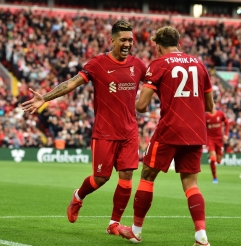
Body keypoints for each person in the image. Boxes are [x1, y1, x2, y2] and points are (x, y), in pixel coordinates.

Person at [21, 20, 147, 235]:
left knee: (126, 179)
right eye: (123, 40)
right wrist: (46, 98)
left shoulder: (139, 65)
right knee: (101, 178)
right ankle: (78, 197)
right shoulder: (98, 63)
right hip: (105, 132)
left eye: (130, 40)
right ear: (112, 40)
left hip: (129, 132)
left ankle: (113, 224)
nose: (127, 44)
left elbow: (155, 86)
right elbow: (71, 84)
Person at [117, 26, 214, 246]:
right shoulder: (199, 64)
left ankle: (136, 231)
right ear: (178, 43)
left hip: (171, 128)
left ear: (158, 46)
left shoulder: (159, 64)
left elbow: (141, 106)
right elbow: (209, 106)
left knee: (147, 175)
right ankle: (201, 236)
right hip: (196, 130)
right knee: (191, 183)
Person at [205, 109, 229, 183]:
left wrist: (226, 134)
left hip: (219, 140)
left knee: (218, 161)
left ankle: (215, 157)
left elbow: (227, 123)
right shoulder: (205, 116)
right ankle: (215, 178)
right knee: (213, 159)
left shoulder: (220, 114)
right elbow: (203, 128)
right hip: (210, 140)